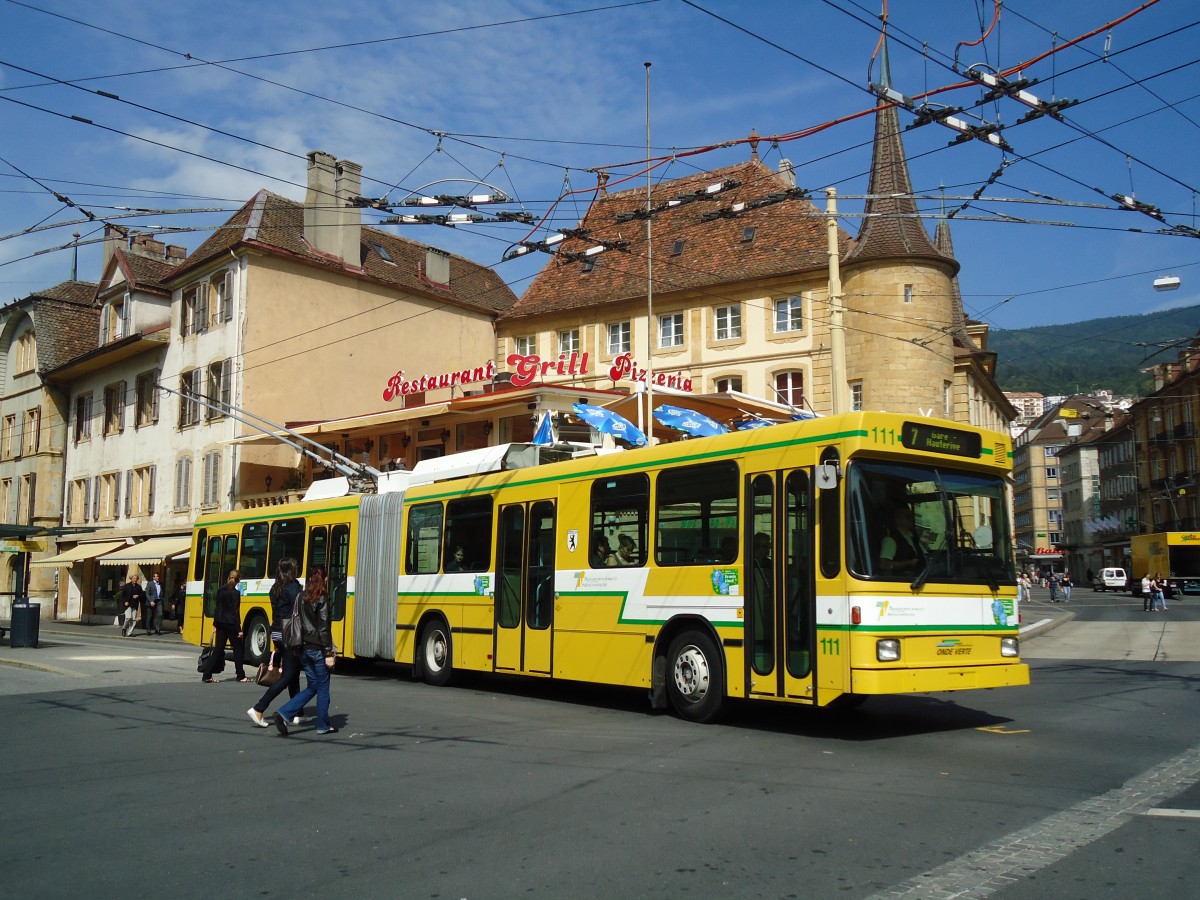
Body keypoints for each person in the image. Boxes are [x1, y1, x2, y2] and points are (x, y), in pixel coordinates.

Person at [274, 565, 338, 736]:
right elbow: (323, 628)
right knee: (322, 688)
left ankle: (284, 713)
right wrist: (328, 653)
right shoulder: (322, 597)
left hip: (303, 649)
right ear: (324, 579)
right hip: (318, 649)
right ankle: (323, 725)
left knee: (313, 686)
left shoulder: (301, 596)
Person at [247, 557, 304, 727]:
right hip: (290, 634)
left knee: (293, 674)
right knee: (288, 676)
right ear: (291, 570)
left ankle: (297, 713)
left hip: (277, 633)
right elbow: (299, 611)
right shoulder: (294, 588)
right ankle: (259, 708)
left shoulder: (275, 587)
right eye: (296, 567)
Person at [202, 569, 250, 683]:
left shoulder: (221, 589)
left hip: (220, 622)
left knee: (218, 649)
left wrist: (215, 624)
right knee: (238, 649)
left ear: (228, 577)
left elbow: (217, 608)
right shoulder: (235, 593)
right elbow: (235, 612)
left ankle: (206, 675)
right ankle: (240, 675)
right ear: (238, 580)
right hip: (231, 624)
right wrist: (239, 630)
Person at [878, 506, 923, 575]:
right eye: (907, 517)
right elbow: (884, 565)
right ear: (897, 520)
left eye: (912, 516)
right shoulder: (890, 540)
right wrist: (908, 563)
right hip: (902, 578)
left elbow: (925, 555)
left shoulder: (913, 537)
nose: (912, 519)